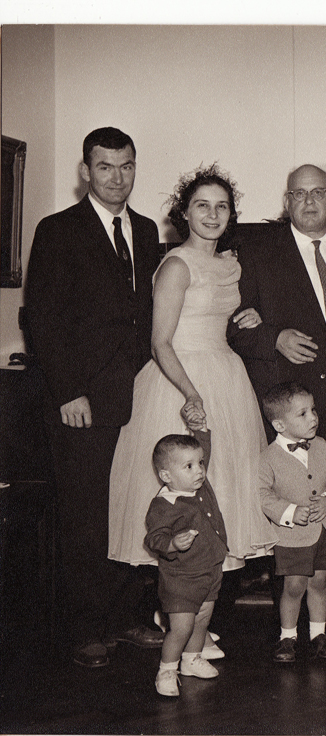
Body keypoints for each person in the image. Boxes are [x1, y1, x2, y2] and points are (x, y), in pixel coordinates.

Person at [26, 127, 164, 668]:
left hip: (138, 397)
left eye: (125, 166)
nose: (116, 178)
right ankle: (85, 628)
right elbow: (44, 317)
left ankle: (127, 617)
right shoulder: (58, 229)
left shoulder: (148, 230)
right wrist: (68, 391)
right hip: (81, 401)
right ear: (86, 171)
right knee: (84, 515)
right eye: (104, 167)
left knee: (131, 509)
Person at [228, 164, 326, 642]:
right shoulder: (257, 254)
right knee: (291, 522)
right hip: (289, 410)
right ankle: (286, 629)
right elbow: (232, 325)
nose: (310, 202)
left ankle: (323, 626)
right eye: (299, 194)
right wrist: (275, 337)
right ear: (287, 201)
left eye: (319, 192)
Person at [108, 165, 277, 579]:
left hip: (227, 375)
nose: (212, 215)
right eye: (202, 205)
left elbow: (224, 310)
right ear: (185, 212)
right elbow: (160, 341)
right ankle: (174, 606)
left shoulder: (230, 264)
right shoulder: (177, 265)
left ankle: (200, 606)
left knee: (222, 482)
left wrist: (249, 314)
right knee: (180, 490)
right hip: (179, 378)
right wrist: (191, 394)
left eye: (222, 207)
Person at [257, 383, 326, 663]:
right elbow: (262, 494)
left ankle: (318, 634)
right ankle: (288, 637)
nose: (313, 418)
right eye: (303, 413)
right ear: (279, 424)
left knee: (319, 582)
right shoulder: (268, 457)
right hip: (292, 536)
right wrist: (288, 512)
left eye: (313, 410)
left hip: (324, 529)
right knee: (294, 585)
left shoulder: (321, 445)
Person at [145, 431, 227, 696]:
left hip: (210, 571)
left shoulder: (200, 489)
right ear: (166, 476)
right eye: (189, 466)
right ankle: (167, 670)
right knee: (181, 628)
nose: (199, 471)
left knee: (201, 620)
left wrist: (201, 430)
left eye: (200, 463)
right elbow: (155, 538)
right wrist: (172, 544)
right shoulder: (163, 504)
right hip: (181, 578)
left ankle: (191, 659)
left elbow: (203, 447)